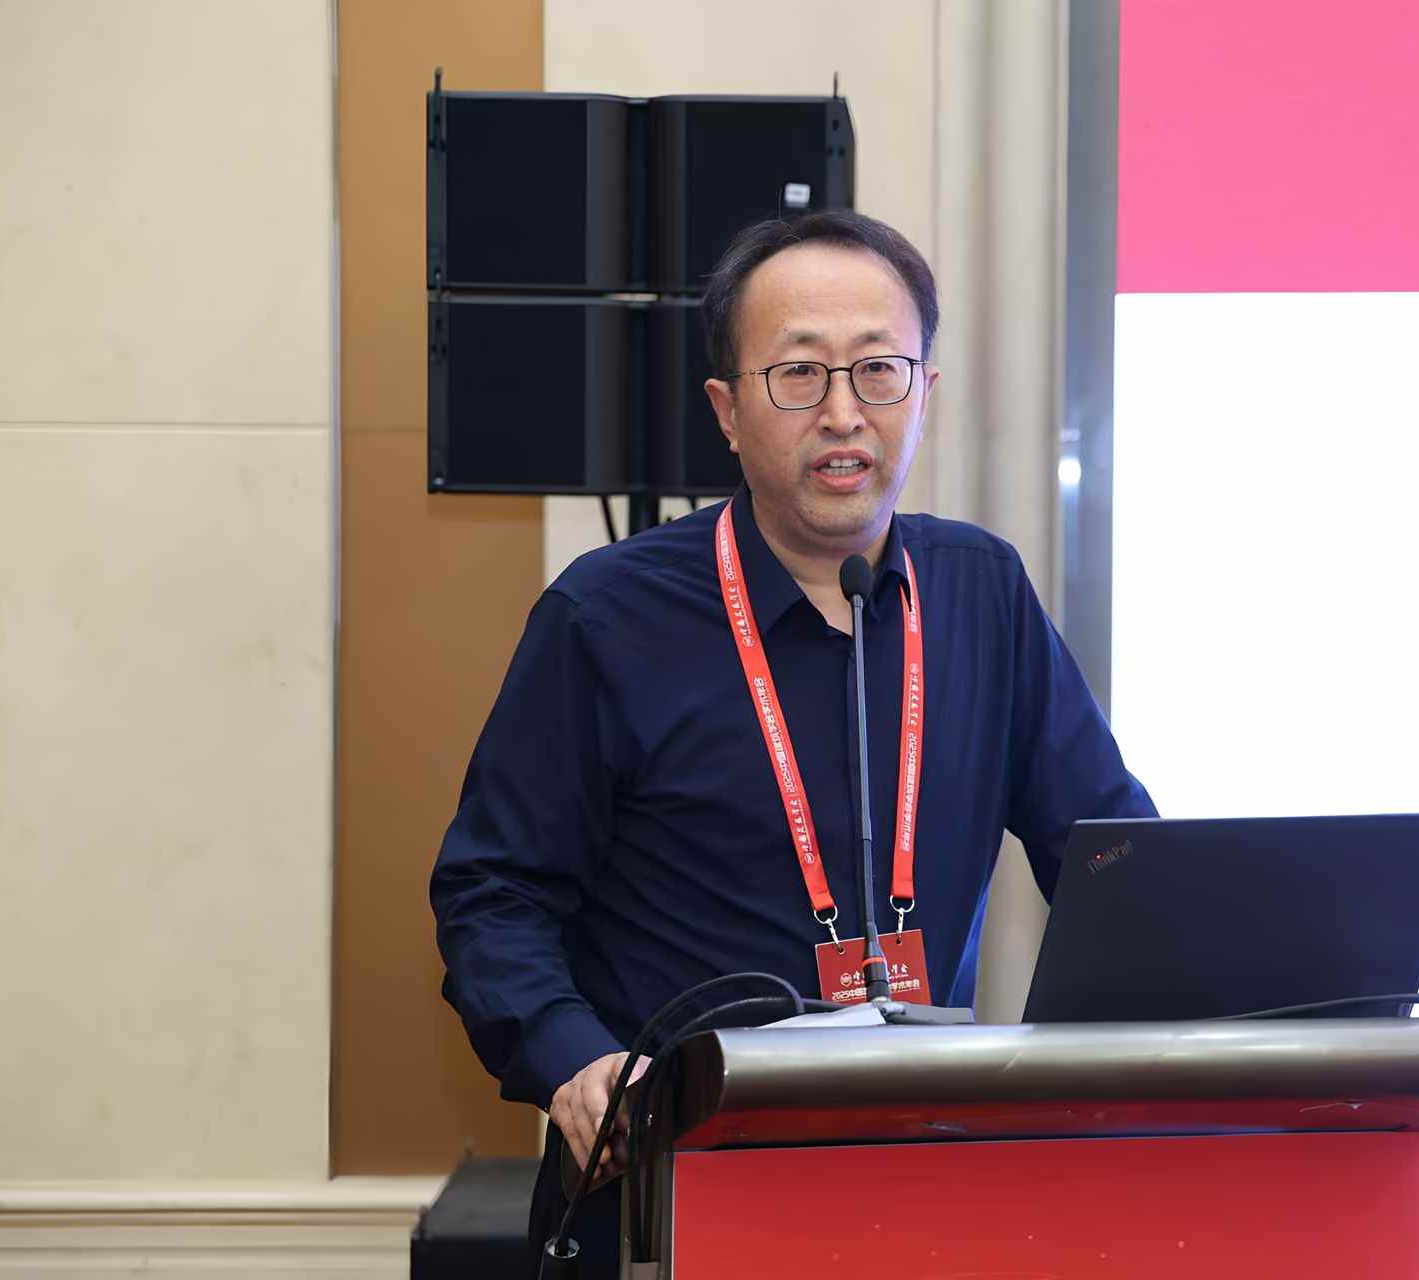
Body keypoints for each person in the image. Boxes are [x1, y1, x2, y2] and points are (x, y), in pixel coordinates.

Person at [430, 209, 1155, 1275]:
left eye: (879, 370)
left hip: (918, 1183)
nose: (843, 412)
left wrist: (1231, 979)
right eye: (799, 374)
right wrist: (576, 1060)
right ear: (727, 410)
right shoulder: (607, 617)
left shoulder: (982, 592)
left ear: (926, 391)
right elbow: (494, 894)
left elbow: (1110, 856)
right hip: (670, 1186)